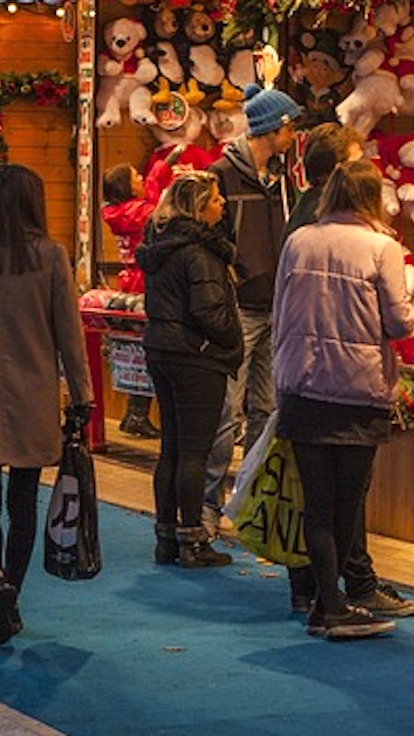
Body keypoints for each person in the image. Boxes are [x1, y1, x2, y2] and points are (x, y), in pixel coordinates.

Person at [0, 163, 93, 648]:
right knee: (23, 503)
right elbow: (69, 335)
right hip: (34, 396)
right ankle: (13, 597)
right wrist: (82, 395)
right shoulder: (51, 257)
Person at [273, 159, 414, 640]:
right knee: (346, 505)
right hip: (356, 388)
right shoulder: (382, 247)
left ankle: (325, 604)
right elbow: (399, 323)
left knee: (317, 504)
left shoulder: (299, 240)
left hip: (302, 383)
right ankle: (334, 608)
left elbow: (279, 311)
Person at [202, 83, 302, 540]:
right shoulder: (223, 174)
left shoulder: (283, 180)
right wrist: (236, 271)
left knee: (265, 408)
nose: (293, 135)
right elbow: (211, 234)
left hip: (277, 305)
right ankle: (208, 504)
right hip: (241, 307)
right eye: (288, 127)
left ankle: (250, 504)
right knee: (226, 411)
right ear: (271, 129)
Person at [135, 172, 243, 567]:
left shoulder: (160, 244)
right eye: (215, 199)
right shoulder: (200, 252)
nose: (222, 204)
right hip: (196, 357)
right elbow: (209, 311)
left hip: (162, 350)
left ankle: (167, 537)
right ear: (198, 207)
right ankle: (193, 541)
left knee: (172, 449)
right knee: (195, 452)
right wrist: (231, 339)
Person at [101, 145, 183, 439]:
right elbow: (161, 210)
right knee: (149, 351)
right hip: (146, 283)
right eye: (136, 176)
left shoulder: (121, 211)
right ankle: (137, 413)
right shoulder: (141, 212)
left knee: (137, 350)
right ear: (127, 186)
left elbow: (149, 190)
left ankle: (134, 413)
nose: (141, 178)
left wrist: (165, 164)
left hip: (130, 282)